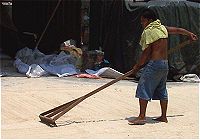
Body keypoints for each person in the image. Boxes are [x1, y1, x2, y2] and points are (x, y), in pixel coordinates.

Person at [128, 9, 198, 125]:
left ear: (150, 20)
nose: (142, 23)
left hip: (155, 64)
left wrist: (137, 66)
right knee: (161, 89)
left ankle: (141, 116)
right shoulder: (162, 28)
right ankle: (163, 116)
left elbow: (146, 52)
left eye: (143, 21)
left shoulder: (149, 31)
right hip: (164, 64)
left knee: (143, 86)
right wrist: (189, 34)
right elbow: (177, 30)